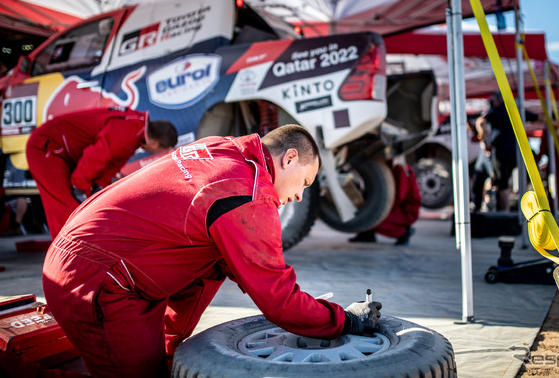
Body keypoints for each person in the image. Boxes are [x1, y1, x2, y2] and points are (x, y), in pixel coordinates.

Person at [41, 124, 382, 377]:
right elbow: (277, 300)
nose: (299, 197)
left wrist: (176, 351)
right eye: (304, 183)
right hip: (97, 278)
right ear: (289, 158)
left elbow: (225, 267)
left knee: (214, 263)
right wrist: (346, 320)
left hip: (100, 259)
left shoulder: (222, 149)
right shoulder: (247, 192)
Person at [26, 108, 178, 239]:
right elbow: (97, 155)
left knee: (82, 210)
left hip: (62, 151)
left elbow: (111, 164)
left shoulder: (136, 132)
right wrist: (80, 187)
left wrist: (98, 188)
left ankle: (79, 253)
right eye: (161, 151)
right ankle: (65, 258)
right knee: (65, 208)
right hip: (46, 146)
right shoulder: (128, 128)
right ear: (155, 144)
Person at [348, 158, 421, 245]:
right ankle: (367, 234)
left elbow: (398, 197)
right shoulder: (386, 166)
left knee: (374, 218)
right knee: (366, 211)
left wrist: (375, 206)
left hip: (405, 210)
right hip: (393, 204)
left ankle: (403, 233)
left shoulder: (400, 168)